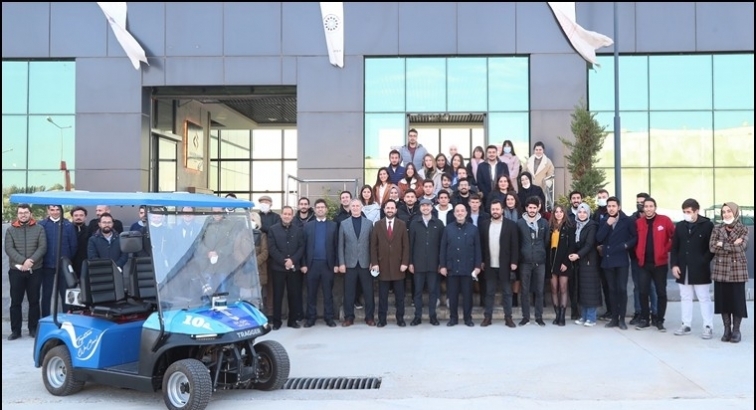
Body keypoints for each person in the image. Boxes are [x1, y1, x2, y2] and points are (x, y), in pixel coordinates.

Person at [670, 198, 714, 339]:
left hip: (700, 269)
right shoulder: (680, 226)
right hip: (683, 268)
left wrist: (703, 261)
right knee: (685, 297)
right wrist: (674, 265)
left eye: (689, 212)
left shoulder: (707, 225)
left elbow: (711, 247)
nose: (686, 214)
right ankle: (686, 324)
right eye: (684, 212)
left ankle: (708, 326)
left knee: (704, 297)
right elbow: (675, 247)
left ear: (696, 211)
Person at [5, 204, 47, 340]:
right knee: (15, 302)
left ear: (30, 213)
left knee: (34, 301)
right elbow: (9, 249)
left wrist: (31, 261)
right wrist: (24, 261)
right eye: (21, 213)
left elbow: (42, 247)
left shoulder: (39, 228)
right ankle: (15, 331)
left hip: (35, 270)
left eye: (26, 212)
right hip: (16, 271)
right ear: (17, 214)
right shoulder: (10, 230)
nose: (23, 215)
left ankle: (33, 328)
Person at [709, 202, 749, 343]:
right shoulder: (717, 228)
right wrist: (732, 244)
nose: (726, 214)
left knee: (737, 301)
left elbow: (741, 247)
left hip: (737, 270)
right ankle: (727, 330)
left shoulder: (743, 229)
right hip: (721, 269)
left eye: (729, 211)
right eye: (724, 212)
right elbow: (712, 248)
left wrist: (722, 244)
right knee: (723, 301)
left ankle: (736, 330)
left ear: (735, 212)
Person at [596, 197, 637, 330]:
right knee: (612, 290)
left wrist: (626, 245)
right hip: (608, 259)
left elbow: (634, 237)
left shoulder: (627, 220)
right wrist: (607, 224)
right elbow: (599, 238)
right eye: (609, 206)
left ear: (618, 207)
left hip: (621, 258)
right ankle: (614, 318)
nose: (611, 208)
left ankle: (622, 319)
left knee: (622, 289)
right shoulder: (604, 220)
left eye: (613, 206)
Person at [634, 197, 674, 332]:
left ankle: (659, 320)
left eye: (651, 206)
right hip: (643, 264)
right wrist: (638, 252)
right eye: (646, 206)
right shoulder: (639, 223)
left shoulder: (665, 220)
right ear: (643, 208)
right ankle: (645, 319)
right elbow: (635, 240)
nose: (648, 209)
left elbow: (674, 237)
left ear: (655, 207)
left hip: (660, 264)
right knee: (643, 292)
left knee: (661, 292)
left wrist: (665, 249)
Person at [439, 204, 482, 327]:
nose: (460, 213)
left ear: (466, 213)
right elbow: (443, 248)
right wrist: (443, 265)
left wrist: (477, 266)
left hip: (468, 267)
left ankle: (468, 318)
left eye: (462, 211)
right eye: (457, 211)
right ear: (454, 214)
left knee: (468, 295)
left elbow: (478, 249)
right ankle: (453, 318)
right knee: (452, 296)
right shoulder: (448, 229)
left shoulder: (473, 229)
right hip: (452, 267)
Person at [479, 200, 519, 328]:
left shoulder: (511, 225)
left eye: (497, 209)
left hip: (505, 265)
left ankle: (508, 318)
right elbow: (481, 245)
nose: (495, 211)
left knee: (507, 292)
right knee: (489, 293)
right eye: (493, 209)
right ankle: (487, 317)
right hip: (489, 265)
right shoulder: (484, 225)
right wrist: (481, 261)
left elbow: (515, 245)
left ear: (502, 210)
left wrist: (514, 261)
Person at [371, 200, 410, 327]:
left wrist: (405, 262)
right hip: (382, 266)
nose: (390, 210)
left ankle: (400, 319)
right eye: (388, 208)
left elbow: (406, 245)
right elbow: (373, 246)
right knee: (383, 296)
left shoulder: (402, 224)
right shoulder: (377, 225)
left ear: (396, 210)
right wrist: (374, 263)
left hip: (398, 266)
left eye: (392, 208)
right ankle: (382, 319)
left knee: (400, 296)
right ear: (384, 209)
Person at [338, 199, 376, 327]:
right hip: (349, 263)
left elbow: (372, 245)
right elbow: (340, 245)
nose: (355, 208)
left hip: (365, 263)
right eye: (353, 206)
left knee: (368, 292)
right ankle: (349, 317)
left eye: (357, 206)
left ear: (361, 207)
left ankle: (369, 317)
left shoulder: (369, 223)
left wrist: (373, 261)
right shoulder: (344, 224)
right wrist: (341, 263)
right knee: (349, 292)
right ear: (350, 208)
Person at [301, 199, 339, 328]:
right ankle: (311, 318)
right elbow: (303, 247)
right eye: (318, 207)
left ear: (326, 209)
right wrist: (303, 264)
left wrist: (336, 264)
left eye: (322, 207)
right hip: (312, 265)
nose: (320, 209)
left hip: (328, 265)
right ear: (315, 210)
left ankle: (329, 318)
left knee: (328, 293)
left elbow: (337, 246)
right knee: (311, 294)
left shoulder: (333, 226)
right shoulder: (308, 226)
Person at [267, 206, 305, 330]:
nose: (287, 216)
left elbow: (301, 247)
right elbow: (272, 248)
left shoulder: (298, 230)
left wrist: (292, 260)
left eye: (289, 214)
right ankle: (277, 321)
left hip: (294, 267)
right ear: (281, 215)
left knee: (294, 295)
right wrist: (284, 261)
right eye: (285, 214)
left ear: (292, 216)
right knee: (277, 295)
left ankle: (292, 321)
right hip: (278, 268)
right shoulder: (273, 229)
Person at [408, 198, 444, 326]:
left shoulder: (438, 223)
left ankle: (432, 316)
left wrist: (441, 263)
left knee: (433, 292)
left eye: (428, 206)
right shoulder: (414, 223)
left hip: (434, 264)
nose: (425, 208)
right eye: (423, 206)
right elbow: (410, 244)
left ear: (432, 208)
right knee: (417, 292)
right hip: (418, 264)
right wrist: (410, 262)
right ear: (420, 208)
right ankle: (417, 316)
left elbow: (442, 245)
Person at [38, 204, 77, 316]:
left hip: (63, 265)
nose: (55, 212)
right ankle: (45, 317)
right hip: (47, 265)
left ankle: (66, 318)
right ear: (48, 211)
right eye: (52, 210)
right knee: (46, 294)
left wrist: (66, 260)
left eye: (57, 209)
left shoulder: (68, 225)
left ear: (61, 210)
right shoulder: (42, 225)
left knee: (65, 294)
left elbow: (73, 245)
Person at [516, 196, 549, 326]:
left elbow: (546, 241)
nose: (532, 210)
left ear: (538, 208)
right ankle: (526, 317)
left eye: (534, 208)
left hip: (540, 261)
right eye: (530, 207)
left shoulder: (544, 223)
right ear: (526, 208)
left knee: (539, 290)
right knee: (524, 291)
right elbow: (517, 241)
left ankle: (538, 317)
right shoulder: (519, 223)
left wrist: (540, 251)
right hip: (525, 262)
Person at [568, 203, 601, 327]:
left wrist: (578, 255)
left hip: (589, 261)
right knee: (582, 289)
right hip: (580, 261)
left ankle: (591, 318)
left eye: (584, 212)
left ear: (588, 213)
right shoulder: (576, 225)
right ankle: (584, 315)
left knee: (590, 289)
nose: (582, 214)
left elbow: (589, 244)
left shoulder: (592, 226)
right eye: (580, 212)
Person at [547, 205, 575, 326]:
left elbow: (572, 246)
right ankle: (557, 315)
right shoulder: (550, 227)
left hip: (564, 260)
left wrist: (566, 262)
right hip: (552, 260)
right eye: (556, 212)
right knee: (554, 288)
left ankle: (562, 316)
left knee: (563, 288)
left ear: (564, 213)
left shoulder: (569, 227)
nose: (558, 214)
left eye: (561, 211)